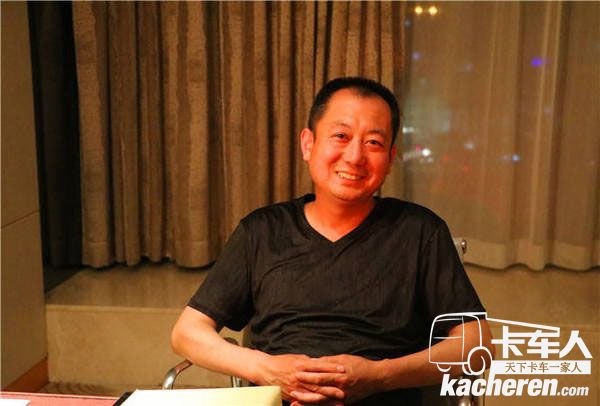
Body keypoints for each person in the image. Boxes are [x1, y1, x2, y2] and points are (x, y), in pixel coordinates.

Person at [171, 77, 493, 405]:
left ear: (390, 158)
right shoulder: (262, 231)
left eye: (373, 142)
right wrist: (267, 370)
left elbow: (477, 345)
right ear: (308, 144)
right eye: (341, 136)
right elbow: (187, 333)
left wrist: (379, 376)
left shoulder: (419, 231)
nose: (354, 156)